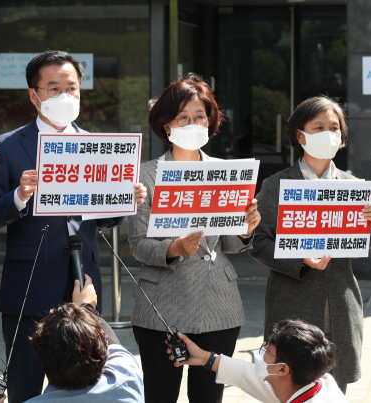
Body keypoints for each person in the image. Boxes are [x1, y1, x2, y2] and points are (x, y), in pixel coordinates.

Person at [0, 50, 147, 403]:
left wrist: (124, 200)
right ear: (34, 94)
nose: (64, 96)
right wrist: (19, 195)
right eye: (53, 88)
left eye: (71, 87)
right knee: (25, 385)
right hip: (30, 284)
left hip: (82, 281)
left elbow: (104, 219)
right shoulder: (7, 147)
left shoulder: (99, 147)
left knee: (87, 382)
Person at [127, 73, 261, 403]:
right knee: (159, 395)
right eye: (182, 117)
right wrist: (174, 248)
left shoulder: (225, 171)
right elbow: (138, 243)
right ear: (166, 125)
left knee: (208, 398)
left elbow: (228, 244)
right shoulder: (145, 174)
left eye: (200, 116)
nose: (193, 123)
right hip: (162, 307)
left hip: (219, 304)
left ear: (211, 121)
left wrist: (245, 229)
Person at [247, 96, 371, 393]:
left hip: (339, 306)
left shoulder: (353, 186)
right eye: (318, 127)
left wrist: (370, 226)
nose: (328, 134)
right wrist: (299, 260)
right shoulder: (276, 185)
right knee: (289, 388)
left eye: (334, 127)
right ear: (300, 135)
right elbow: (256, 241)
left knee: (335, 390)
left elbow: (358, 243)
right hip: (292, 304)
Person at [167, 319, 347, 403]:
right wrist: (205, 357)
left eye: (267, 350)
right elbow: (247, 375)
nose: (261, 352)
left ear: (282, 370)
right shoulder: (320, 383)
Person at [27, 274, 144, 402]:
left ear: (42, 362)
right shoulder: (127, 375)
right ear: (103, 354)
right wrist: (86, 308)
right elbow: (110, 339)